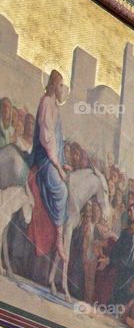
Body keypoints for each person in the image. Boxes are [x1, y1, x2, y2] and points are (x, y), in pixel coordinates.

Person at [28, 70, 70, 267]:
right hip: (44, 158)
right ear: (53, 85)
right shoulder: (46, 103)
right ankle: (59, 240)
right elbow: (47, 140)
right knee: (61, 190)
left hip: (53, 158)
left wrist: (63, 163)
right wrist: (58, 168)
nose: (63, 89)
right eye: (61, 85)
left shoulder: (56, 107)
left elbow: (58, 141)